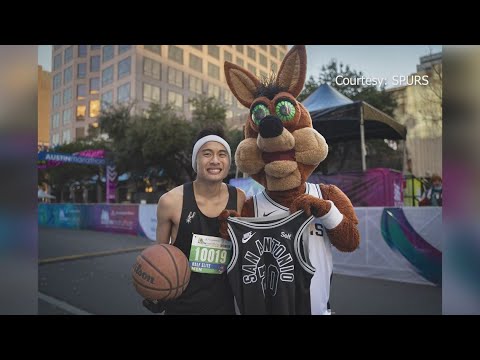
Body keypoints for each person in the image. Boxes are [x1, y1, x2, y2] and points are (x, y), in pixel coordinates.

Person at [143, 127, 246, 315]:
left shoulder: (239, 198)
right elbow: (159, 257)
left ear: (228, 161)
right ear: (195, 160)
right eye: (207, 154)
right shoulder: (170, 202)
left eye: (222, 154)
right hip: (181, 307)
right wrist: (155, 286)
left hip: (223, 306)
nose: (215, 160)